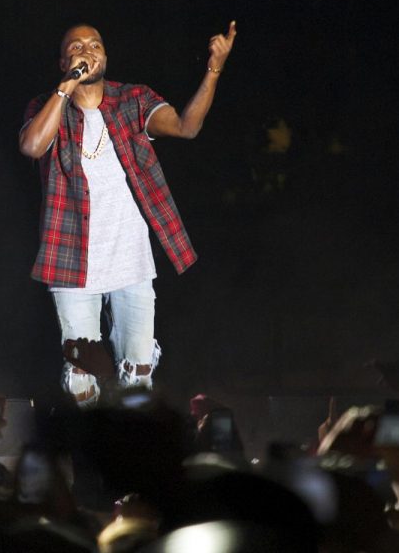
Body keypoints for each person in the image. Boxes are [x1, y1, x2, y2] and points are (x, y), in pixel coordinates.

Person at [19, 21, 236, 400]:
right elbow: (34, 146)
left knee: (138, 374)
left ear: (106, 55)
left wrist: (214, 69)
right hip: (72, 261)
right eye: (77, 47)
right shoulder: (45, 105)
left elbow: (187, 127)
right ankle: (91, 454)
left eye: (96, 44)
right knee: (82, 374)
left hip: (130, 261)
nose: (88, 51)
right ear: (62, 61)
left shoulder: (132, 99)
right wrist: (67, 86)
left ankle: (133, 452)